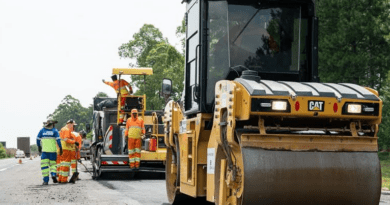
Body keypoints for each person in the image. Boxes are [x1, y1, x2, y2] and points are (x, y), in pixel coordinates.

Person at [37, 118, 62, 185]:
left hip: (44, 152)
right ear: (53, 124)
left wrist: (39, 148)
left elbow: (37, 140)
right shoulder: (55, 131)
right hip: (53, 152)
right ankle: (53, 174)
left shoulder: (42, 131)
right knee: (53, 165)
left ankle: (45, 181)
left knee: (44, 167)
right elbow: (59, 141)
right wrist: (60, 148)